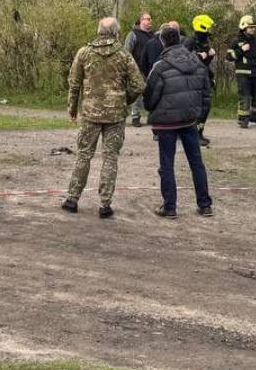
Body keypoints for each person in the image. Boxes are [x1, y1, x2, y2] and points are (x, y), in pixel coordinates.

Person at [61, 17, 144, 219]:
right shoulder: (124, 56)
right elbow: (139, 85)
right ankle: (105, 204)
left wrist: (73, 108)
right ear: (116, 33)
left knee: (84, 155)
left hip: (90, 112)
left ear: (99, 31)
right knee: (110, 158)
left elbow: (74, 83)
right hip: (115, 114)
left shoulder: (84, 53)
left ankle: (72, 198)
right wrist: (125, 100)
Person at [144, 25, 214, 219]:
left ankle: (170, 206)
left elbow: (149, 95)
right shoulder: (197, 62)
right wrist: (200, 115)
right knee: (196, 162)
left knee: (167, 164)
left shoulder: (160, 66)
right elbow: (206, 92)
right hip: (190, 120)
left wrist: (152, 110)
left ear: (162, 41)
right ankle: (205, 204)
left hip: (166, 122)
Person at [227, 15, 256, 128]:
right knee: (245, 96)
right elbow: (229, 57)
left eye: (254, 27)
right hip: (243, 74)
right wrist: (241, 50)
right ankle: (243, 118)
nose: (253, 29)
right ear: (243, 27)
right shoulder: (236, 41)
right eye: (250, 27)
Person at [184, 13, 217, 146]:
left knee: (205, 107)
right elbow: (185, 61)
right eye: (209, 28)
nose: (210, 30)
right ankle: (193, 135)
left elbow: (205, 64)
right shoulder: (190, 42)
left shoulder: (204, 42)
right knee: (197, 108)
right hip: (193, 80)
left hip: (203, 78)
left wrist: (209, 56)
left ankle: (199, 133)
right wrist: (198, 56)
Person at [124, 12, 154, 127]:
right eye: (148, 19)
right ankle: (135, 117)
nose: (150, 21)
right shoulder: (133, 34)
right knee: (137, 93)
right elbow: (126, 52)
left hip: (150, 69)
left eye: (150, 19)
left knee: (151, 93)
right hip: (137, 68)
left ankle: (151, 116)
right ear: (141, 20)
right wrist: (130, 68)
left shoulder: (152, 35)